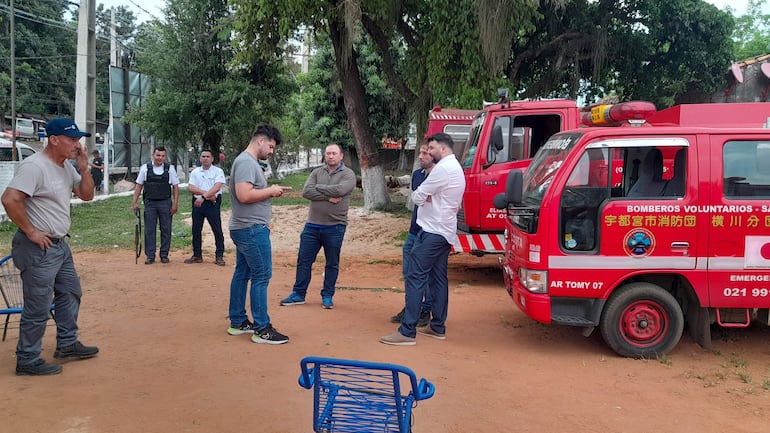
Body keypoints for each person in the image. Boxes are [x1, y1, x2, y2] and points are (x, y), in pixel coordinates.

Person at [0, 117, 99, 376]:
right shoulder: (35, 166)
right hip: (38, 248)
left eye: (79, 139)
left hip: (59, 245)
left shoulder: (66, 167)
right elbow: (10, 199)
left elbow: (87, 195)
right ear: (54, 140)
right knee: (39, 304)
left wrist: (84, 168)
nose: (77, 144)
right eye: (72, 139)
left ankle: (67, 344)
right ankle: (27, 359)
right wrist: (31, 231)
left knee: (70, 293)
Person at [380, 132, 466, 346]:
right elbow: (422, 195)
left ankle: (407, 331)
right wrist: (426, 196)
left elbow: (417, 195)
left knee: (415, 276)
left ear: (443, 149)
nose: (428, 151)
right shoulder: (455, 168)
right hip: (444, 232)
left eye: (432, 148)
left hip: (433, 231)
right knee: (438, 279)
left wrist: (425, 196)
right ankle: (437, 326)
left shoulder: (443, 169)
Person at [227, 124, 292, 344]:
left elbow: (250, 193)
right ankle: (262, 328)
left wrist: (269, 192)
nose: (272, 151)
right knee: (261, 276)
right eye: (271, 147)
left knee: (243, 273)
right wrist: (271, 191)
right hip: (250, 229)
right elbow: (244, 195)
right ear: (261, 141)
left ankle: (238, 321)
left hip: (246, 227)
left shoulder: (247, 162)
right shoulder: (246, 162)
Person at [280, 143, 356, 309]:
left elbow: (341, 190)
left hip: (335, 226)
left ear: (341, 156)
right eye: (328, 153)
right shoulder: (316, 172)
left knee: (331, 263)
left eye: (334, 153)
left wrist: (319, 188)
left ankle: (327, 295)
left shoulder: (348, 174)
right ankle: (298, 294)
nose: (330, 156)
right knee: (304, 261)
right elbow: (306, 192)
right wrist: (328, 197)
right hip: (312, 226)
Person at [389, 144, 435, 327]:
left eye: (425, 153)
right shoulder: (417, 175)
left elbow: (429, 198)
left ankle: (425, 309)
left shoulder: (440, 175)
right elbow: (420, 198)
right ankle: (411, 307)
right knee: (409, 273)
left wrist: (425, 196)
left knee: (426, 274)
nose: (421, 156)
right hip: (413, 231)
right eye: (421, 153)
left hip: (429, 233)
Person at [132, 146, 180, 264]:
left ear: (165, 157)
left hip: (165, 202)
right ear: (153, 156)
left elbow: (175, 187)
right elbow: (139, 186)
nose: (160, 158)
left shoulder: (170, 169)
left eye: (163, 156)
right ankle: (150, 255)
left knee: (166, 229)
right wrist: (134, 202)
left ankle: (164, 254)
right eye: (158, 155)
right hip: (150, 203)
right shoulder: (145, 168)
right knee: (149, 229)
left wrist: (175, 204)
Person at [185, 149, 226, 266]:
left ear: (212, 159)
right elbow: (191, 188)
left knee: (217, 230)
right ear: (200, 159)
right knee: (196, 230)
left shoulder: (218, 171)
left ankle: (219, 256)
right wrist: (206, 195)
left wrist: (203, 197)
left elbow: (217, 187)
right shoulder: (195, 172)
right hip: (198, 203)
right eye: (203, 156)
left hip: (212, 204)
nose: (205, 158)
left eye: (208, 156)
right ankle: (197, 255)